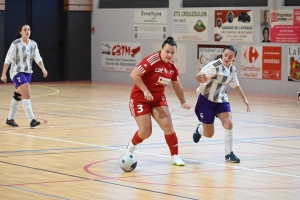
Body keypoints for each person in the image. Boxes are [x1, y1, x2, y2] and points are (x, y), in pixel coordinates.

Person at [125, 37, 191, 166]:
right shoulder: (152, 60)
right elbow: (134, 74)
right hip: (140, 99)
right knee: (146, 132)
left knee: (168, 126)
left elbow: (177, 85)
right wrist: (145, 91)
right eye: (167, 52)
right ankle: (131, 147)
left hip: (158, 99)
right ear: (161, 50)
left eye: (172, 53)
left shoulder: (172, 66)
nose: (170, 55)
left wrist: (183, 102)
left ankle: (175, 156)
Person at [193, 45, 250, 163]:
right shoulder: (214, 66)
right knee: (209, 134)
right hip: (207, 100)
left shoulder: (232, 69)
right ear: (222, 54)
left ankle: (229, 154)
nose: (227, 58)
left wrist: (244, 99)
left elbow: (235, 84)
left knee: (229, 124)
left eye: (230, 56)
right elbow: (198, 76)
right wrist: (201, 79)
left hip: (222, 99)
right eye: (225, 55)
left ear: (234, 58)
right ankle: (200, 129)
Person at [1, 24, 48, 127]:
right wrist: (3, 74)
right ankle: (32, 120)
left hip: (28, 73)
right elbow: (8, 59)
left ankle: (9, 119)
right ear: (21, 32)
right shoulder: (16, 44)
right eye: (25, 30)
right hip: (17, 72)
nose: (27, 31)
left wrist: (43, 69)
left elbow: (38, 58)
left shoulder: (33, 44)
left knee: (18, 96)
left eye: (29, 30)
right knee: (27, 95)